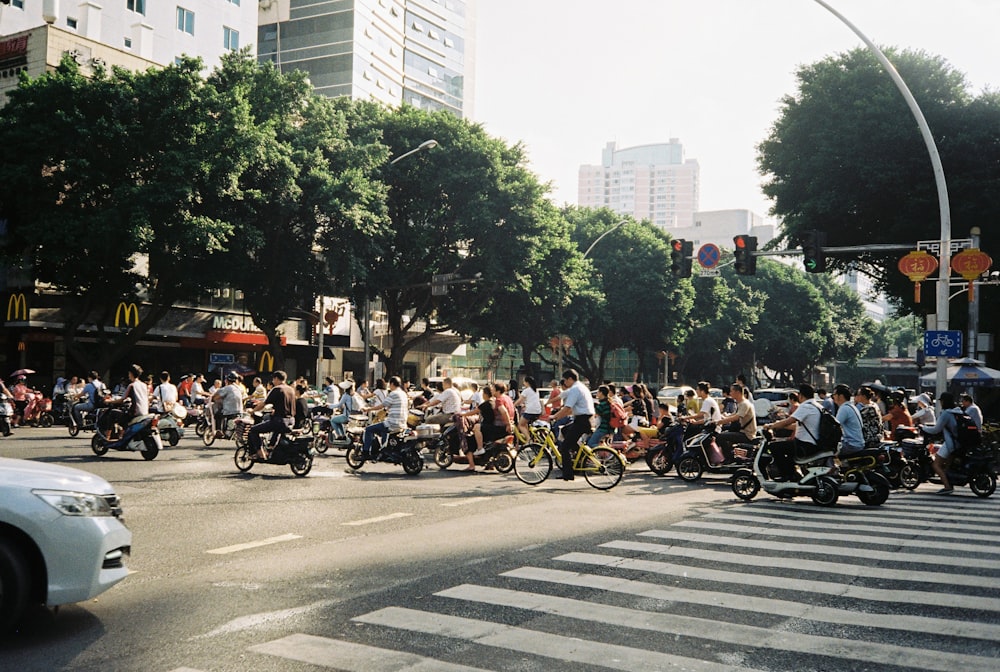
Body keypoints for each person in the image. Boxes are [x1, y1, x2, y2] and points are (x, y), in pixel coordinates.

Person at [762, 384, 824, 482]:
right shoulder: (817, 406)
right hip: (811, 444)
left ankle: (786, 475)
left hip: (804, 445)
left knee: (774, 447)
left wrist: (770, 426)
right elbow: (796, 425)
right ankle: (793, 475)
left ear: (801, 395)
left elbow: (789, 421)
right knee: (786, 448)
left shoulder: (806, 406)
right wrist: (779, 425)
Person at [548, 369, 595, 481]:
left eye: (565, 380)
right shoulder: (580, 387)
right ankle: (581, 457)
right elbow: (562, 395)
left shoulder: (575, 389)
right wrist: (548, 403)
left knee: (564, 447)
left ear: (570, 379)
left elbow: (567, 408)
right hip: (585, 419)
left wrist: (554, 417)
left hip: (582, 420)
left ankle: (568, 474)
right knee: (565, 430)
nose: (564, 383)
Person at [920, 392, 964, 495]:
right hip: (960, 443)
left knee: (936, 465)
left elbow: (936, 429)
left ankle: (947, 487)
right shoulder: (958, 411)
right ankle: (949, 482)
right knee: (947, 466)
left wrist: (924, 428)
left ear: (943, 401)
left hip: (950, 444)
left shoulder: (946, 414)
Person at [248, 370, 296, 461]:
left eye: (273, 380)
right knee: (276, 431)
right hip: (291, 420)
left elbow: (264, 404)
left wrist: (253, 411)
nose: (273, 382)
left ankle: (260, 454)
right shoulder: (291, 390)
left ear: (276, 378)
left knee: (253, 430)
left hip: (279, 420)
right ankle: (271, 449)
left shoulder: (277, 389)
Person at [360, 376, 408, 460]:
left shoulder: (393, 393)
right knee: (383, 428)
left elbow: (382, 405)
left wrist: (368, 409)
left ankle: (366, 452)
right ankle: (383, 449)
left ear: (392, 384)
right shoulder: (403, 393)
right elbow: (389, 406)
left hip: (392, 423)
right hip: (403, 422)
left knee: (369, 429)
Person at [715, 383, 756, 457]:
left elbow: (736, 417)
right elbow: (732, 415)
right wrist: (721, 417)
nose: (730, 393)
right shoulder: (740, 404)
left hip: (747, 434)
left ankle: (728, 458)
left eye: (731, 391)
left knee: (720, 436)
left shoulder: (744, 404)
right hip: (742, 432)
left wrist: (719, 422)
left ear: (737, 392)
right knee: (724, 433)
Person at [832, 384, 865, 455]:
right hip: (859, 444)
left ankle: (830, 466)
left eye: (834, 394)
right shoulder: (852, 407)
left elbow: (835, 426)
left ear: (840, 396)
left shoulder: (844, 409)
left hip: (851, 445)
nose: (833, 397)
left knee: (826, 451)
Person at [211, 372, 246, 436]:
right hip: (240, 410)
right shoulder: (240, 388)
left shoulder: (227, 388)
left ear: (227, 380)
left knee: (217, 415)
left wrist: (213, 399)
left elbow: (216, 396)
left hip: (229, 411)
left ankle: (219, 430)